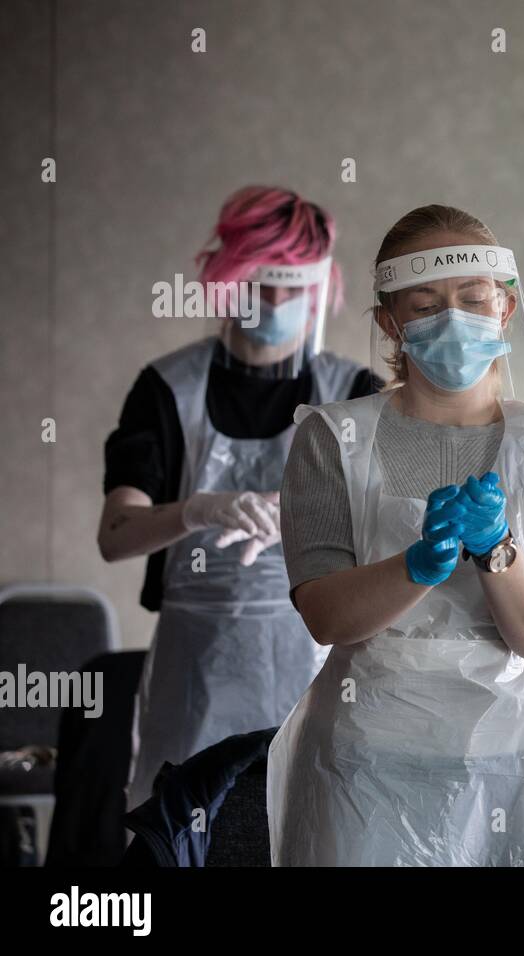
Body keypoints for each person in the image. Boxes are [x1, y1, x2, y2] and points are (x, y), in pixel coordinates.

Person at [267, 204, 524, 866]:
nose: (453, 318)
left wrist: (499, 551)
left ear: (504, 308)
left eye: (473, 298)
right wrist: (414, 567)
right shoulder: (331, 439)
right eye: (425, 303)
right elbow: (326, 616)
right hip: (361, 766)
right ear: (390, 323)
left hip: (508, 765)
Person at [100, 186, 371, 811]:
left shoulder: (354, 395)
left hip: (317, 671)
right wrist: (196, 510)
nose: (275, 303)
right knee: (183, 834)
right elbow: (115, 534)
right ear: (225, 279)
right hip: (193, 678)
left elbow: (395, 539)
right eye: (259, 285)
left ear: (319, 289)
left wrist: (311, 520)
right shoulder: (168, 389)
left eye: (291, 288)